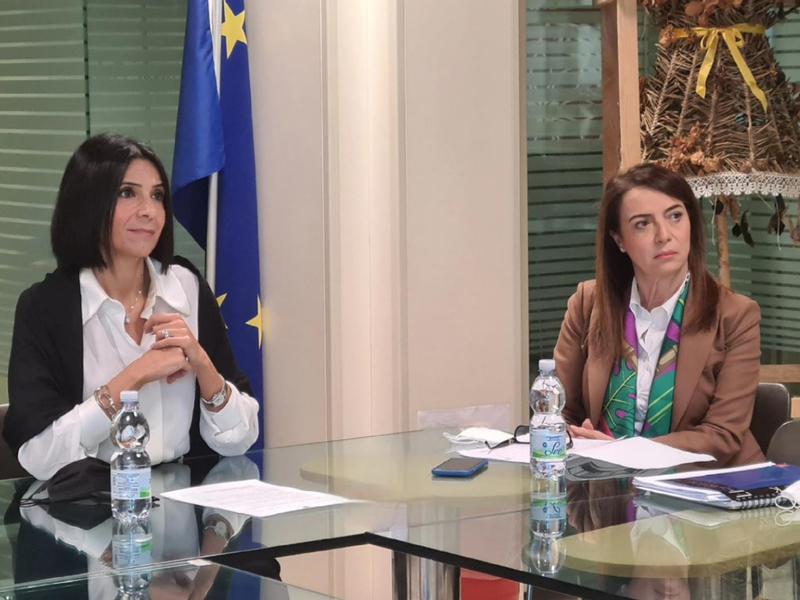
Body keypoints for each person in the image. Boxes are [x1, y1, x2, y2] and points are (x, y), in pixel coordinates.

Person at [4, 134, 259, 480]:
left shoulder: (186, 285)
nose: (149, 211)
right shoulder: (44, 307)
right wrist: (135, 376)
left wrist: (202, 364)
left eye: (157, 195)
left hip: (183, 496)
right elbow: (39, 456)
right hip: (86, 505)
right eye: (127, 193)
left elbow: (239, 440)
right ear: (88, 204)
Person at [554, 163, 762, 466]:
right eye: (643, 224)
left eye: (675, 216)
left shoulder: (736, 315)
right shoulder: (587, 304)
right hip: (602, 484)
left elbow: (722, 435)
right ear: (619, 240)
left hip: (707, 485)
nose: (664, 235)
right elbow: (559, 412)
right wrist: (573, 437)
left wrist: (624, 452)